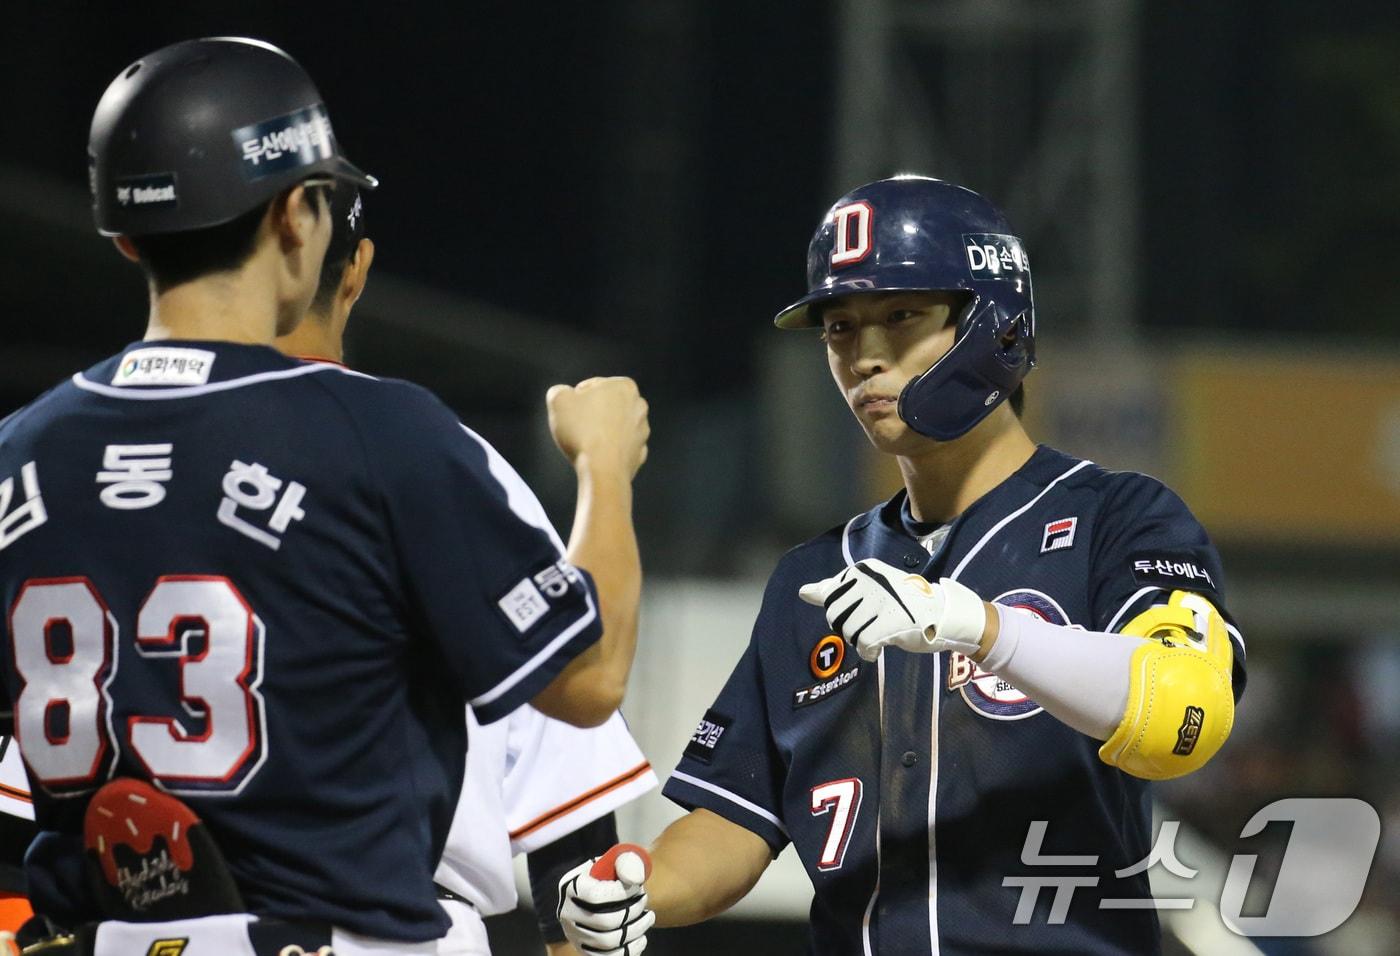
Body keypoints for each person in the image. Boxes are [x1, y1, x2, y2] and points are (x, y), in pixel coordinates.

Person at [0, 36, 649, 954]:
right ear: (299, 217)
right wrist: (605, 471)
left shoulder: (18, 453)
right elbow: (590, 680)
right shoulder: (380, 435)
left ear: (123, 234)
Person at [556, 176, 1246, 955]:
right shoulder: (811, 578)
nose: (865, 356)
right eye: (841, 327)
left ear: (995, 323)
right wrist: (639, 887)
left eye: (902, 316)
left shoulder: (1117, 516)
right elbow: (734, 819)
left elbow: (1186, 717)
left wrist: (978, 628)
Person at [274, 185, 659, 956]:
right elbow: (578, 857)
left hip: (154, 922)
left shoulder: (89, 458)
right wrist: (604, 471)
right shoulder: (429, 456)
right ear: (355, 272)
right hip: (395, 930)